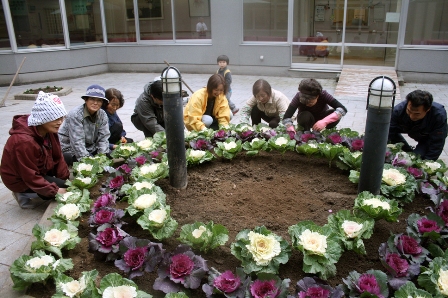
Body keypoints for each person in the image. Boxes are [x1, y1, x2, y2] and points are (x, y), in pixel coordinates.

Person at [0, 92, 69, 209]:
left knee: (65, 181)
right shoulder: (23, 141)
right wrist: (55, 190)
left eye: (61, 117)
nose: (60, 122)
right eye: (55, 118)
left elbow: (58, 156)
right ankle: (21, 193)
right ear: (43, 118)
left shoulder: (49, 130)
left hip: (38, 166)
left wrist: (64, 178)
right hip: (19, 178)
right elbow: (29, 175)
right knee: (55, 191)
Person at [58, 84, 110, 166]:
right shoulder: (75, 115)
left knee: (108, 154)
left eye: (99, 100)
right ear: (86, 100)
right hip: (70, 149)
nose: (95, 103)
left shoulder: (102, 114)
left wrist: (102, 157)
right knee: (84, 163)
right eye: (92, 99)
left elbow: (103, 137)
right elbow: (77, 143)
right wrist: (89, 161)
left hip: (90, 147)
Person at [388, 90, 447, 160]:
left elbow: (437, 144)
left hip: (427, 138)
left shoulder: (438, 116)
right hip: (404, 129)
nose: (411, 116)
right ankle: (409, 152)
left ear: (428, 110)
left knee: (418, 160)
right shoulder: (398, 110)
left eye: (417, 114)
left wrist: (426, 164)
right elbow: (387, 133)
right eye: (409, 111)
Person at [283, 78, 347, 133]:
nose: (307, 105)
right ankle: (306, 133)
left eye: (310, 102)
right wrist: (291, 130)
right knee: (305, 115)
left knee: (334, 113)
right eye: (305, 102)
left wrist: (324, 121)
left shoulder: (323, 94)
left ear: (317, 96)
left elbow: (342, 109)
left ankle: (327, 132)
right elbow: (286, 118)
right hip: (306, 120)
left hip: (322, 117)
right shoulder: (298, 97)